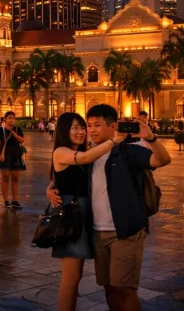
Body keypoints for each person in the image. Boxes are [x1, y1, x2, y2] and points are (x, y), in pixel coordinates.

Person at [49, 104, 171, 311]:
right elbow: (66, 176)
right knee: (109, 288)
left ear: (113, 126)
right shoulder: (90, 154)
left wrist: (151, 139)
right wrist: (50, 189)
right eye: (89, 125)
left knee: (124, 289)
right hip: (97, 232)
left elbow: (162, 159)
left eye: (96, 125)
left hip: (126, 230)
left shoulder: (129, 151)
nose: (91, 130)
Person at [50, 112, 128, 311]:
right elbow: (84, 158)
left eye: (82, 127)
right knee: (71, 278)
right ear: (63, 130)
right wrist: (113, 141)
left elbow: (57, 180)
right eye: (75, 128)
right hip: (71, 218)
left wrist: (49, 189)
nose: (81, 132)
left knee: (77, 277)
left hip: (88, 217)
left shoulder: (85, 150)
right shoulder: (61, 151)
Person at [0, 111, 26, 208]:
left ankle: (15, 200)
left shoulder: (18, 129)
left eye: (13, 118)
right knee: (5, 178)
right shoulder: (1, 130)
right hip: (5, 155)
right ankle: (6, 201)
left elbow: (22, 140)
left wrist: (14, 134)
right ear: (5, 119)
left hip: (16, 155)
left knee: (15, 178)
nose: (11, 120)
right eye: (9, 117)